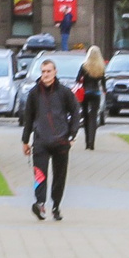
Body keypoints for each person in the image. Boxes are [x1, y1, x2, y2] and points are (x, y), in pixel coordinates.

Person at [19, 56, 79, 221]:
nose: (45, 74)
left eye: (48, 71)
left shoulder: (64, 92)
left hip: (61, 142)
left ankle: (56, 206)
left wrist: (72, 135)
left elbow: (75, 112)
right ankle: (40, 203)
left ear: (55, 72)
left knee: (60, 176)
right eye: (43, 71)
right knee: (40, 174)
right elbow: (28, 118)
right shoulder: (34, 93)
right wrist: (25, 141)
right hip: (41, 142)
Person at [78, 46, 107, 151]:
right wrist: (104, 90)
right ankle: (92, 143)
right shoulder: (101, 67)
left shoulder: (84, 66)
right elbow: (103, 82)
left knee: (85, 116)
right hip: (96, 93)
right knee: (93, 118)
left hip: (85, 93)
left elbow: (78, 79)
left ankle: (87, 143)